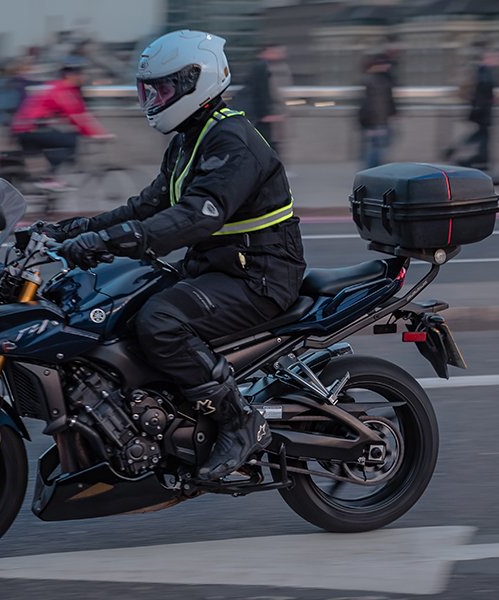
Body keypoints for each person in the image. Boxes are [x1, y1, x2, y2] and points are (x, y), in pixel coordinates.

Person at [46, 30, 306, 481]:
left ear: (196, 82)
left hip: (259, 278)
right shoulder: (191, 137)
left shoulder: (233, 142)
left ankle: (238, 421)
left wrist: (110, 242)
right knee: (119, 303)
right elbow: (146, 206)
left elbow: (196, 216)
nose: (155, 98)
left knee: (160, 321)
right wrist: (74, 229)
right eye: (151, 90)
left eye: (164, 89)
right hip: (218, 268)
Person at [10, 56, 111, 191]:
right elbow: (77, 117)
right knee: (70, 141)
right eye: (81, 74)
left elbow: (81, 114)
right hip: (29, 129)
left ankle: (47, 182)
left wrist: (96, 131)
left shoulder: (59, 87)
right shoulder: (62, 91)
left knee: (60, 139)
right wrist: (100, 134)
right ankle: (49, 178)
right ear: (71, 75)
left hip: (24, 127)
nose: (83, 77)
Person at [443, 46, 499, 171]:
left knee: (480, 136)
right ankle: (474, 160)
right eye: (497, 57)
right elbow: (483, 90)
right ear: (488, 58)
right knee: (482, 137)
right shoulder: (485, 72)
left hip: (481, 111)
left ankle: (471, 158)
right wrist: (491, 98)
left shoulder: (483, 71)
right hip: (482, 112)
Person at [232, 45, 290, 152]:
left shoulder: (267, 67)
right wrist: (267, 114)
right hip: (261, 115)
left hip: (263, 114)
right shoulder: (261, 67)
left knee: (267, 145)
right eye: (274, 51)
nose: (279, 54)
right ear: (264, 53)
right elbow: (262, 92)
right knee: (266, 145)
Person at [358, 52, 397, 169]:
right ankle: (370, 174)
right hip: (375, 121)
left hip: (375, 121)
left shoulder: (380, 79)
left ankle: (369, 173)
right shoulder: (377, 80)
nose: (387, 66)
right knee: (376, 149)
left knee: (374, 148)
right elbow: (376, 103)